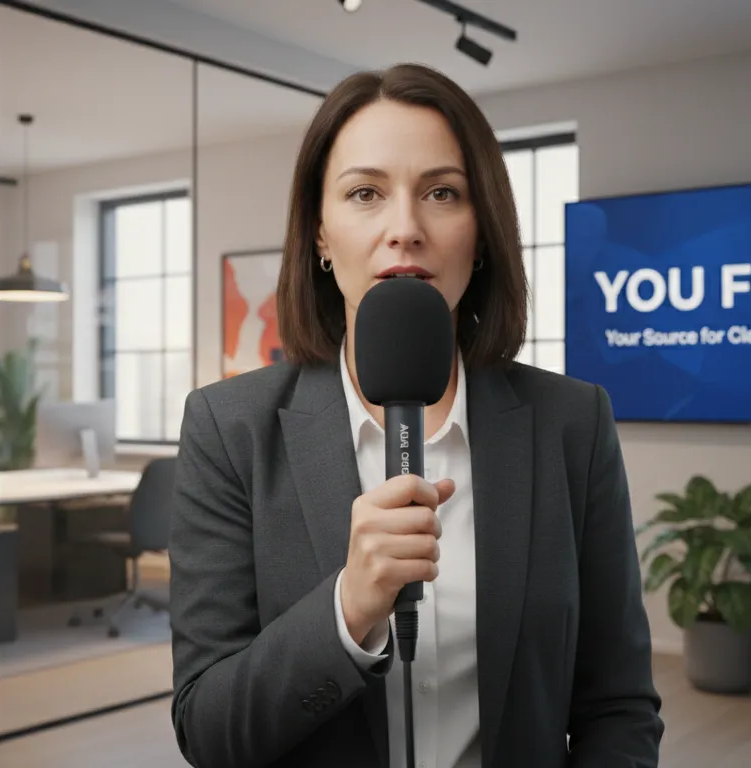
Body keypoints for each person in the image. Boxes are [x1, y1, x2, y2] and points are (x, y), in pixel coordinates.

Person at [168, 62, 663, 768]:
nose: (405, 228)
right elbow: (210, 732)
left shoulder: (571, 423)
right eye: (365, 193)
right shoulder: (229, 430)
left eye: (441, 192)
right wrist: (350, 606)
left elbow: (618, 706)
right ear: (319, 234)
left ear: (482, 231)